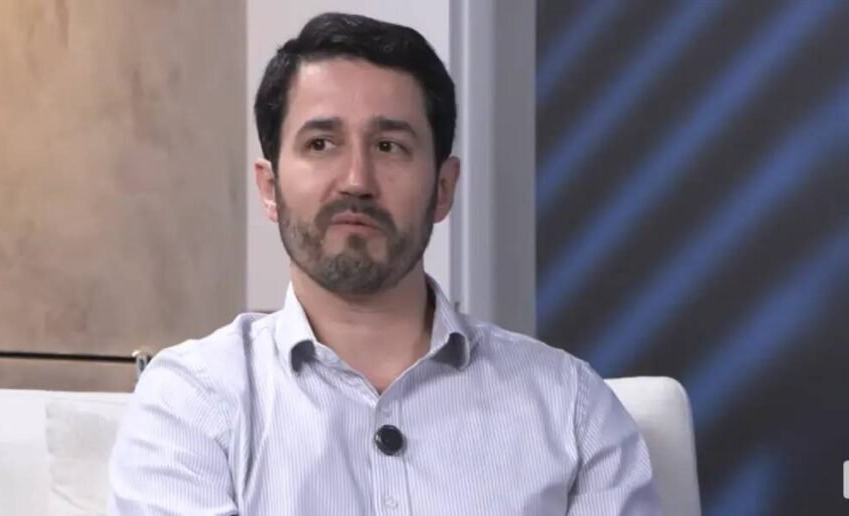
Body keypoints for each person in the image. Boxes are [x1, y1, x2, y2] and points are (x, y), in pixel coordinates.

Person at [107, 12, 660, 516]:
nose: (356, 181)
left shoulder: (572, 408)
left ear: (443, 188)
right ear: (270, 187)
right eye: (321, 143)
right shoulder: (192, 402)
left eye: (389, 146)